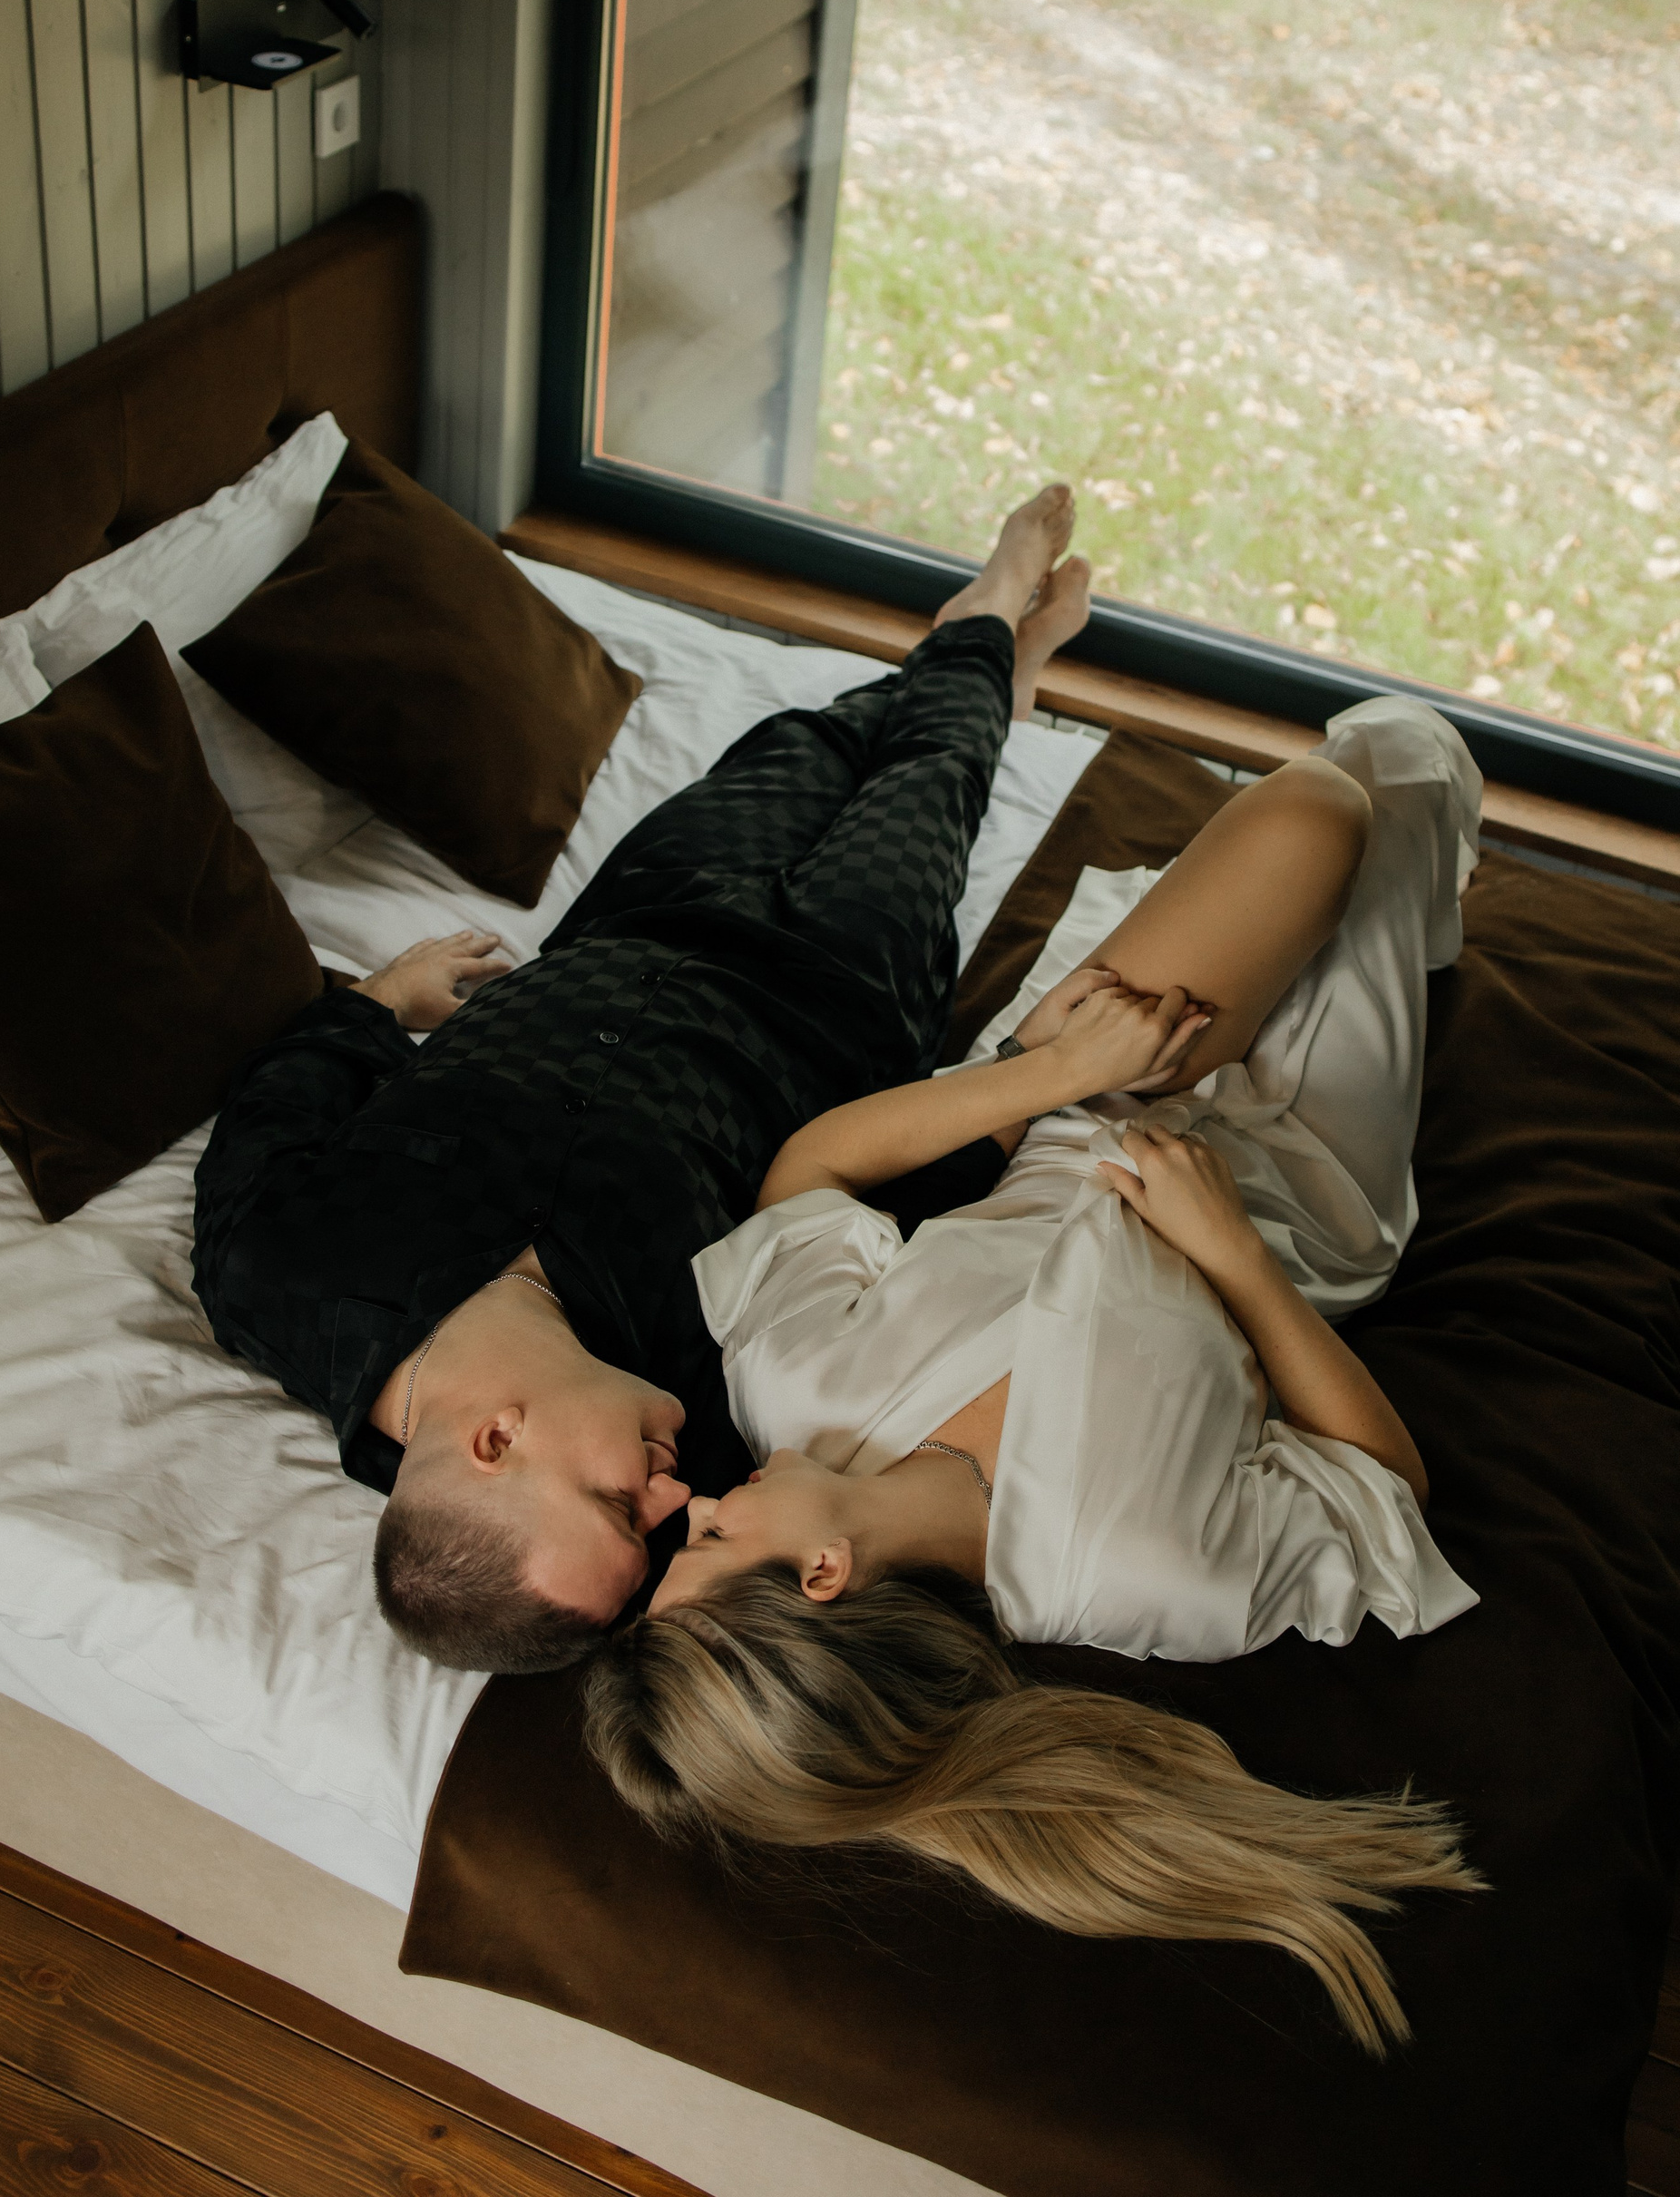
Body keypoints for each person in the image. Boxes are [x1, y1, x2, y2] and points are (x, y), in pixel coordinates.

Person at [583, 692, 1488, 2053]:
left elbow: (812, 1171)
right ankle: (1421, 884)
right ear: (823, 1576)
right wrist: (1237, 1259)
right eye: (710, 1541)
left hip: (1091, 1092)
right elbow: (1384, 1487)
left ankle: (1407, 868)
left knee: (1331, 798)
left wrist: (1047, 1068)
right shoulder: (1139, 1571)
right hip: (1295, 1187)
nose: (697, 1500)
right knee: (1398, 781)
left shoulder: (792, 1392)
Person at [191, 488, 1097, 1674]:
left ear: (494, 1440)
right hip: (837, 993)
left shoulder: (275, 1274)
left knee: (801, 745)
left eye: (624, 1507)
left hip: (635, 919)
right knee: (931, 775)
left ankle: (987, 670)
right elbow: (868, 1253)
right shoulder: (711, 1418)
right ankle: (987, 633)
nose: (676, 1502)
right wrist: (1024, 1085)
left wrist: (379, 1002)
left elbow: (278, 1104)